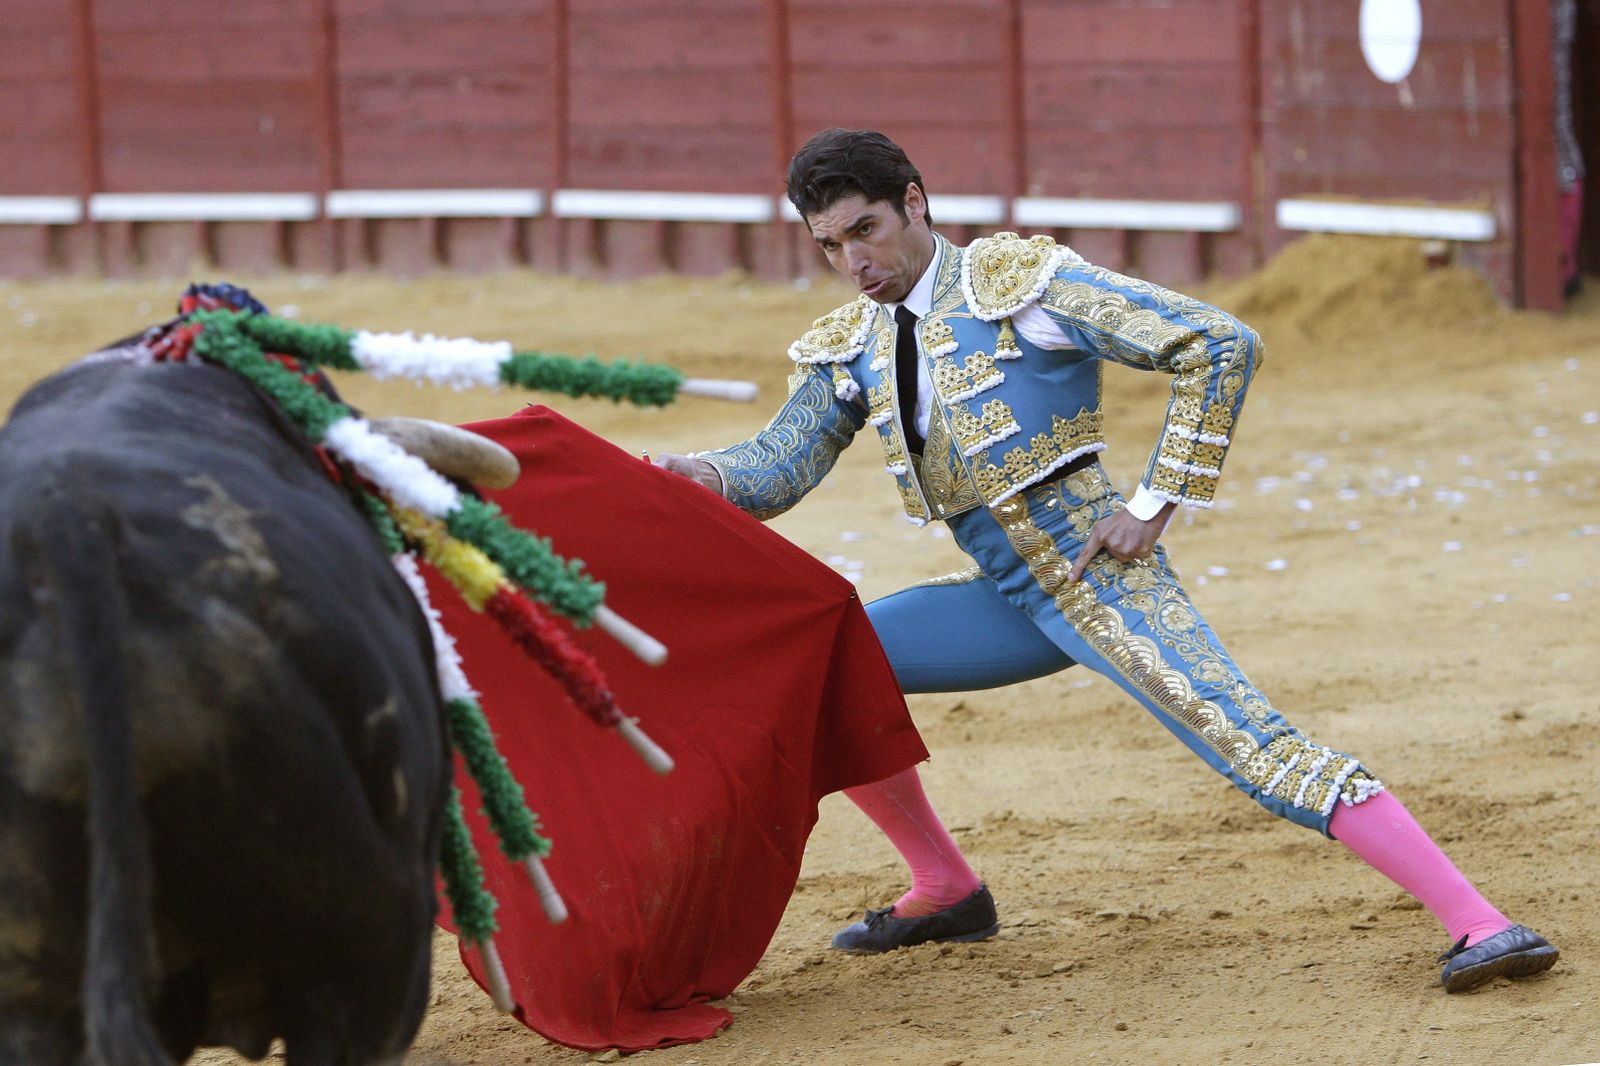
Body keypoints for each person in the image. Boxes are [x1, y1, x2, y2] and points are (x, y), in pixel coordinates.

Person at [654, 128, 1559, 992]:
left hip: (1099, 578)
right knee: (824, 672)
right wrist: (699, 473)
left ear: (915, 204)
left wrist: (1152, 504)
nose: (855, 261)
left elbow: (1216, 342)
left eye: (867, 230)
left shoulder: (1023, 286)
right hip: (1004, 596)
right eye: (830, 244)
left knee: (1252, 743)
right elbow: (779, 467)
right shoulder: (849, 342)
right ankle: (947, 891)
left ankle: (1479, 921)